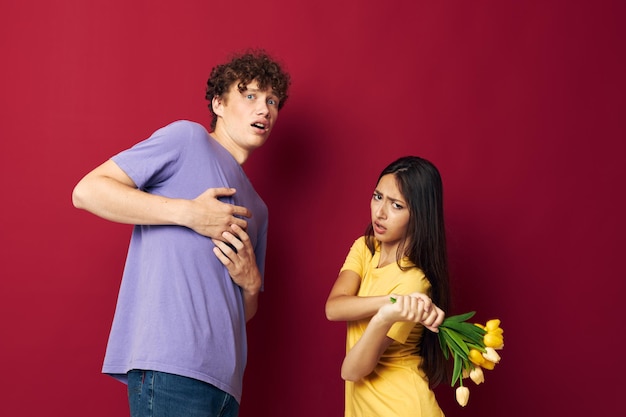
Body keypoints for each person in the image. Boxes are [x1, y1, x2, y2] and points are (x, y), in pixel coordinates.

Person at [72, 50, 291, 417]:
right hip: (172, 367)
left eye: (272, 101)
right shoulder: (187, 139)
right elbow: (87, 191)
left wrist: (251, 283)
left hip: (226, 384)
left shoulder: (258, 206)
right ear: (218, 103)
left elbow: (242, 309)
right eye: (250, 96)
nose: (264, 109)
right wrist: (188, 213)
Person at [325, 156, 451, 417]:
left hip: (403, 408)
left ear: (419, 214)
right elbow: (334, 308)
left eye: (396, 205)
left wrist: (386, 315)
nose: (380, 212)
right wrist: (390, 302)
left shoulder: (414, 282)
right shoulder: (365, 248)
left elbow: (352, 371)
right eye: (377, 196)